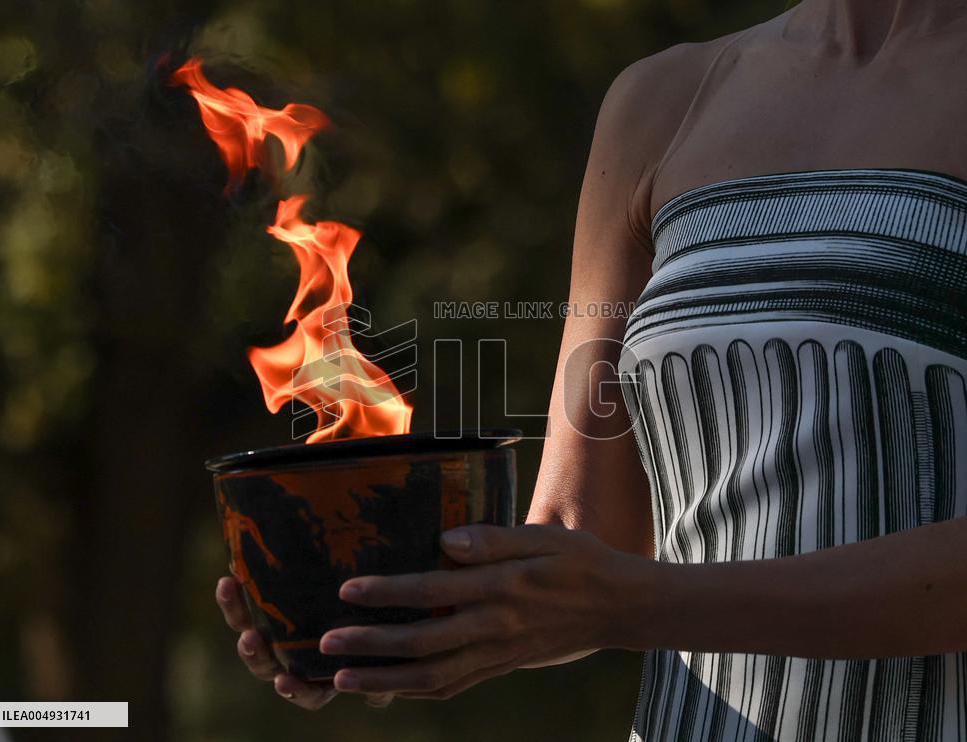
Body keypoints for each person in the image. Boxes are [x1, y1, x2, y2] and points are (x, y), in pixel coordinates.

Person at [216, 0, 967, 737]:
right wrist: (392, 608)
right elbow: (582, 530)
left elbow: (619, 594)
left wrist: (639, 603)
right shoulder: (664, 102)